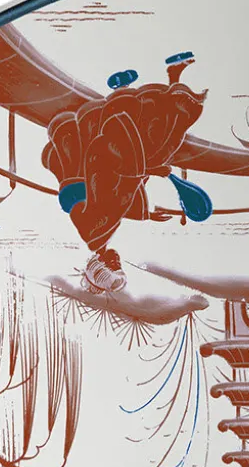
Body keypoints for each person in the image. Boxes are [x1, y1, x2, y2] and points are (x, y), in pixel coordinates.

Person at [41, 52, 207, 291]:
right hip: (98, 170)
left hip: (92, 167)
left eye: (113, 266)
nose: (117, 261)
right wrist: (147, 214)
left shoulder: (94, 235)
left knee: (155, 145)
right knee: (154, 145)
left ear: (102, 265)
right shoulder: (97, 236)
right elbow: (113, 204)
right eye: (118, 266)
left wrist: (148, 170)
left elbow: (108, 197)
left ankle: (142, 85)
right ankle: (159, 79)